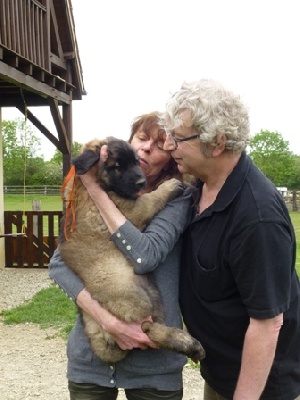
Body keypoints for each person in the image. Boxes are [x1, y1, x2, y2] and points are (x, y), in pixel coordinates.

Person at [161, 79, 300, 400]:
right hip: (222, 370)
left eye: (178, 138)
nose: (169, 146)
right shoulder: (200, 187)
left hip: (259, 384)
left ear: (218, 142)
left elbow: (267, 325)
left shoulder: (257, 217)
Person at [49, 112, 196, 400]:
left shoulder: (178, 196)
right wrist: (108, 321)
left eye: (159, 144)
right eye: (141, 138)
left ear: (170, 156)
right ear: (128, 141)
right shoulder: (89, 192)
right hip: (91, 360)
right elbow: (58, 265)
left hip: (154, 370)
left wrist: (94, 188)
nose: (146, 148)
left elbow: (145, 256)